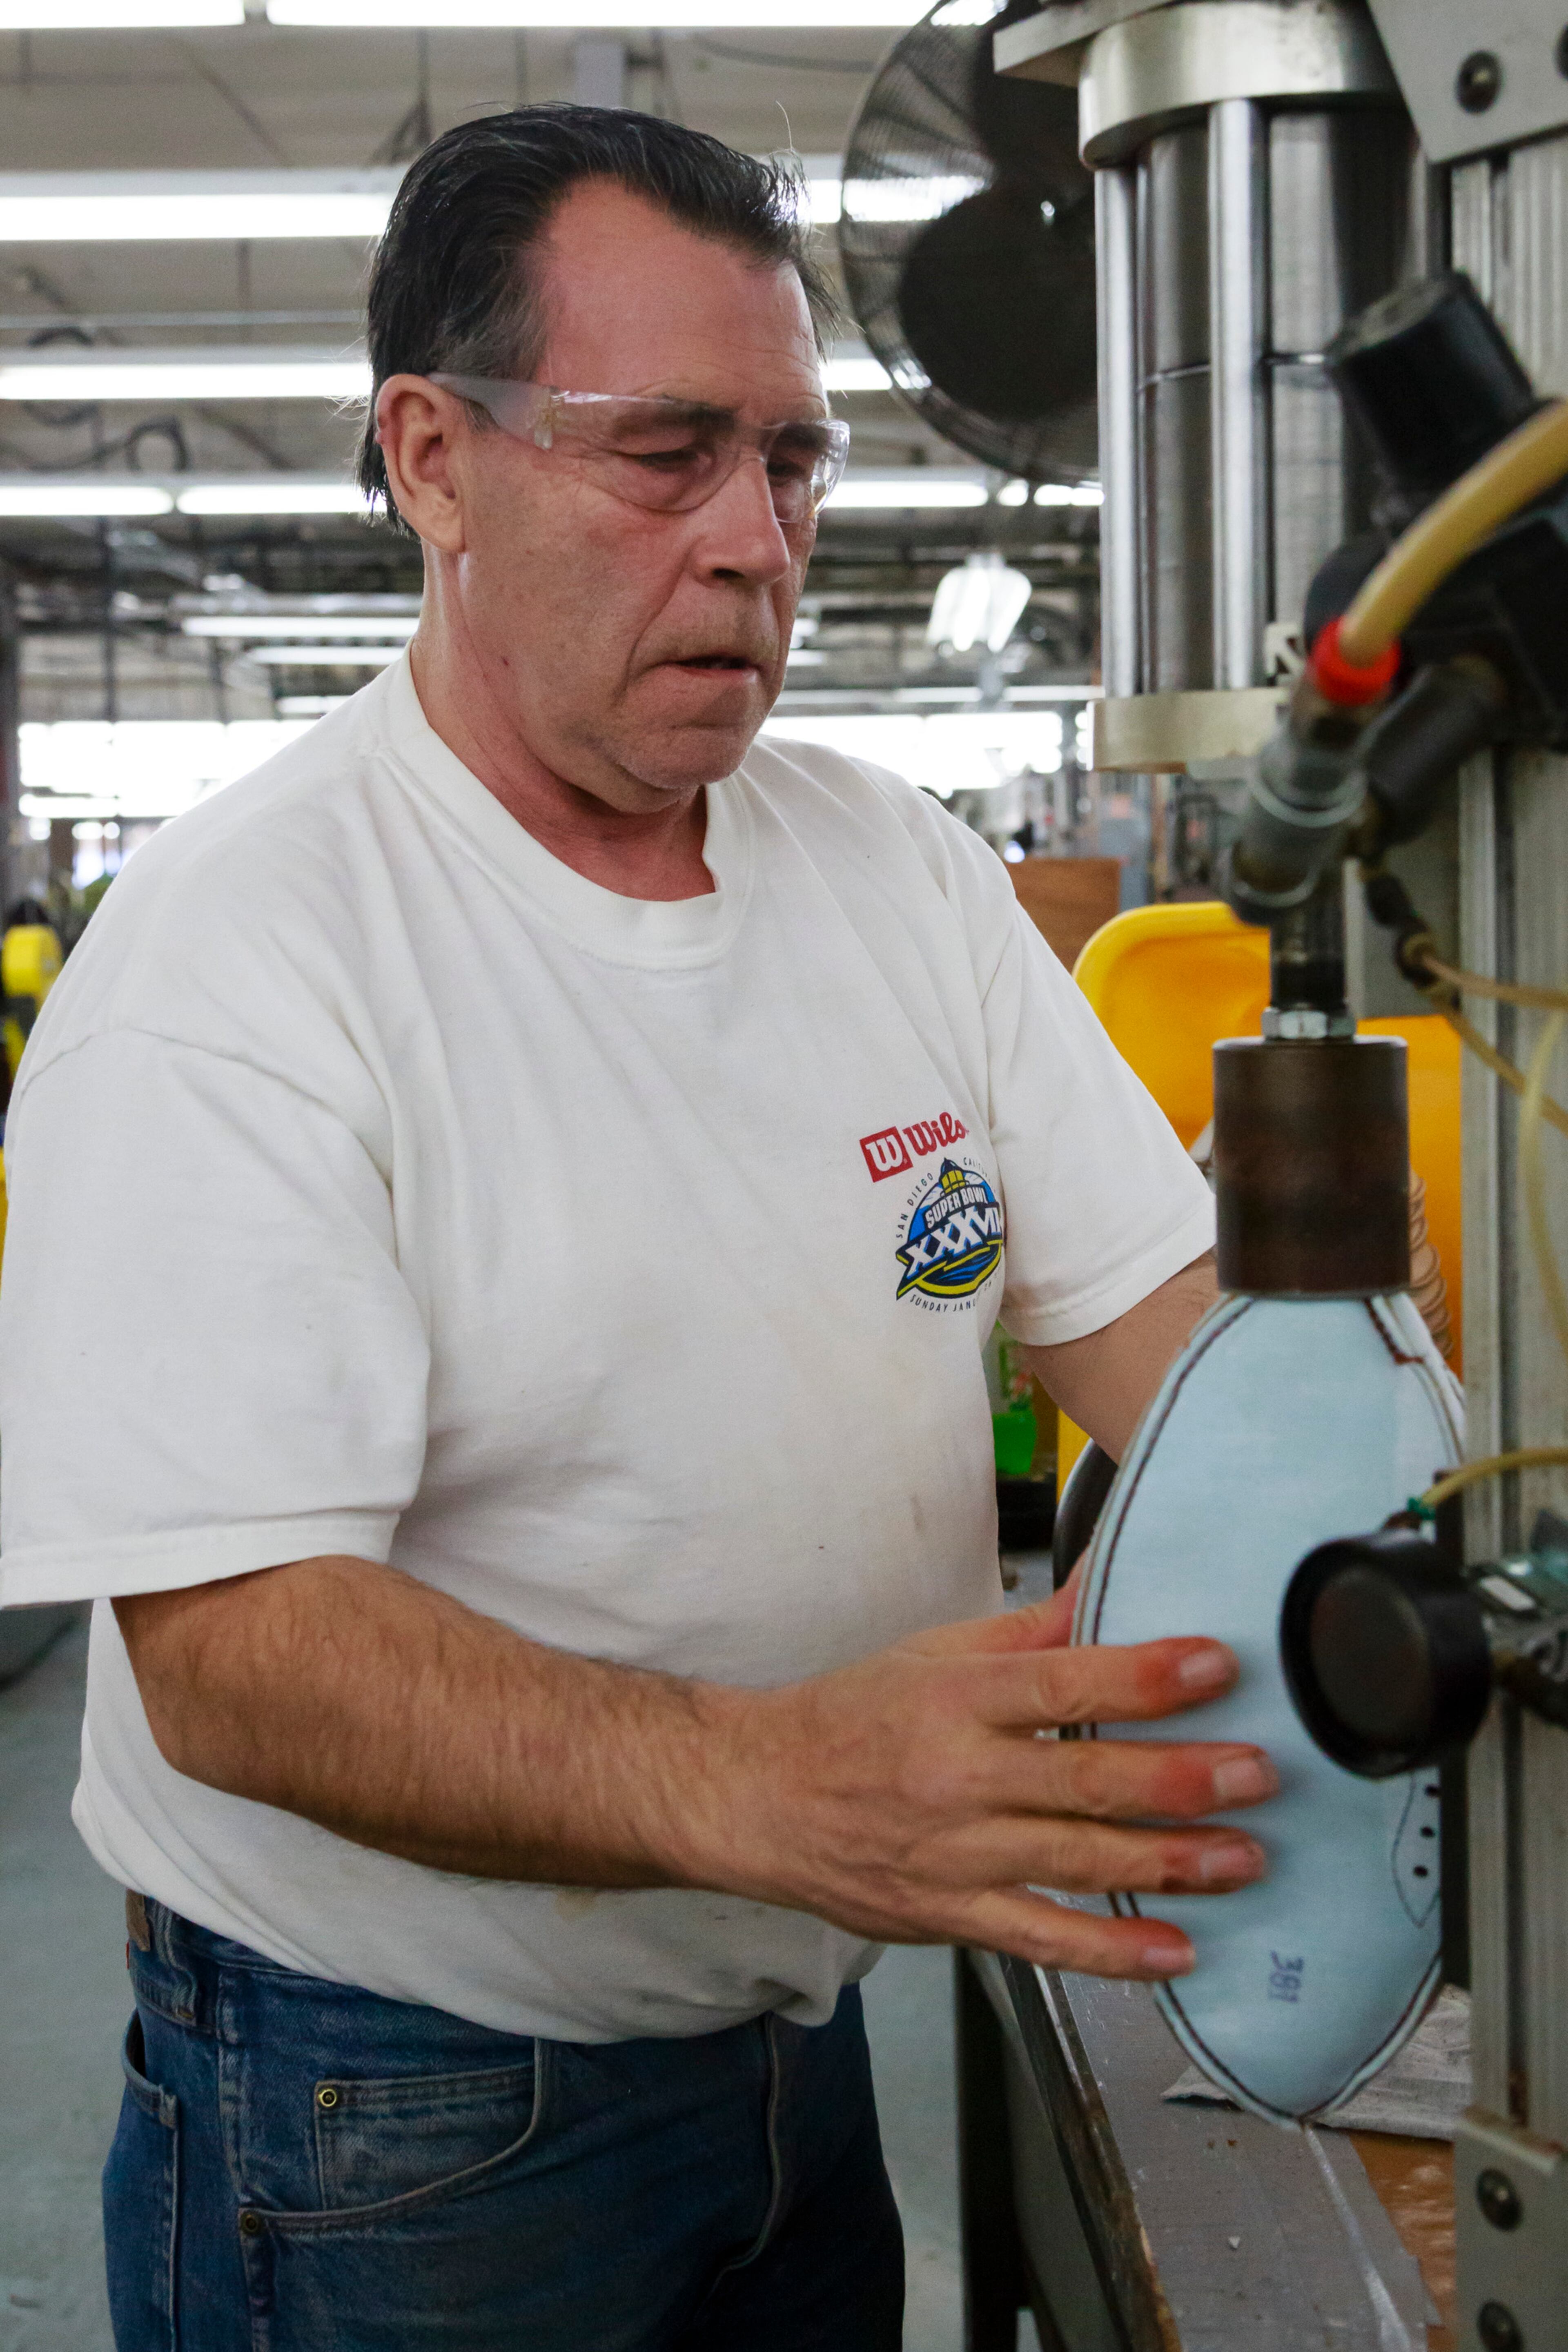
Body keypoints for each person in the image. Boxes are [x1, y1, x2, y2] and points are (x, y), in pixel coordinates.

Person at [0, 106, 1276, 2352]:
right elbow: (238, 1658)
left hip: (798, 2036)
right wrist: (765, 1781)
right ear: (433, 457)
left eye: (791, 463)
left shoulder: (895, 876)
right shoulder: (256, 948)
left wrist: (1364, 1521)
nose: (754, 544)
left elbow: (1164, 1327)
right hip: (395, 2122)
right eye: (664, 450)